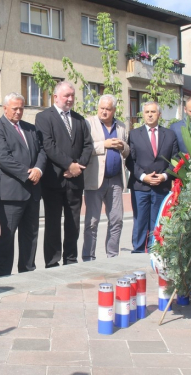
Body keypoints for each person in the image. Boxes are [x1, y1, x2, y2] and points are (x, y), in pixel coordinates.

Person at [0, 92, 47, 277]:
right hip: (9, 195)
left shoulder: (31, 128)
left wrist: (38, 169)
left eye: (22, 108)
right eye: (15, 108)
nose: (19, 112)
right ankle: (3, 276)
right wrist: (27, 174)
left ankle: (28, 273)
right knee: (6, 237)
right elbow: (1, 157)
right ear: (5, 108)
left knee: (30, 236)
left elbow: (42, 151)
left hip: (32, 192)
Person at [35, 81, 93, 268]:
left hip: (75, 181)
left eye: (72, 96)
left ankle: (71, 259)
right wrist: (69, 164)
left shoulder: (79, 119)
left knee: (73, 223)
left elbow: (88, 145)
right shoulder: (44, 117)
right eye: (66, 95)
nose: (69, 99)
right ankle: (52, 262)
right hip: (54, 181)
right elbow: (48, 146)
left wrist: (78, 166)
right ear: (55, 97)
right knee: (52, 224)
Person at [126, 101, 178, 253]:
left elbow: (174, 160)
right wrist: (143, 177)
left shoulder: (169, 135)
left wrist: (164, 176)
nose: (149, 114)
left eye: (153, 112)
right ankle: (138, 251)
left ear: (159, 114)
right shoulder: (134, 134)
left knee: (157, 221)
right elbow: (130, 161)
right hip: (140, 186)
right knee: (140, 220)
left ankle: (155, 250)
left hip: (161, 186)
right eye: (147, 112)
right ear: (143, 114)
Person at [82, 95, 130, 260]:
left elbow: (127, 150)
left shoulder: (122, 126)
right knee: (92, 221)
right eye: (101, 108)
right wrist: (105, 145)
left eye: (108, 109)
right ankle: (89, 257)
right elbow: (84, 148)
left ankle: (112, 255)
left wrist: (123, 146)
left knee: (116, 219)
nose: (104, 111)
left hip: (116, 179)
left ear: (114, 110)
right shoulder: (89, 123)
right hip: (95, 179)